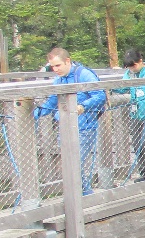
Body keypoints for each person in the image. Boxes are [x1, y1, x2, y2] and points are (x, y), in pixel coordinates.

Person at [33, 47, 106, 195]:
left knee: (75, 163)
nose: (55, 69)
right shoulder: (58, 80)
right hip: (65, 127)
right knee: (70, 165)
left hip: (84, 127)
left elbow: (100, 96)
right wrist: (34, 114)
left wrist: (83, 106)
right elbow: (51, 103)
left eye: (58, 65)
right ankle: (84, 194)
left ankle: (84, 195)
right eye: (52, 66)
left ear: (67, 61)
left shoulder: (84, 74)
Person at [113, 48, 145, 180]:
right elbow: (123, 88)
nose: (131, 68)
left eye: (133, 65)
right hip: (136, 114)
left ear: (140, 61)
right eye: (129, 66)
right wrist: (109, 88)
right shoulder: (129, 74)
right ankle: (144, 172)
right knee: (137, 143)